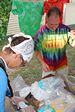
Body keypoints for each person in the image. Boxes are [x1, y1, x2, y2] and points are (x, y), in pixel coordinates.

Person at [34, 7, 75, 79]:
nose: (54, 27)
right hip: (48, 66)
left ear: (60, 19)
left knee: (63, 85)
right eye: (51, 24)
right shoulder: (41, 33)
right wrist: (42, 63)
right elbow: (36, 50)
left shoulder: (65, 29)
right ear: (46, 18)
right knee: (48, 87)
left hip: (62, 65)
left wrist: (74, 37)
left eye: (56, 24)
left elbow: (73, 43)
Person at [0, 32, 34, 112]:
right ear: (17, 55)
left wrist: (11, 96)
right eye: (23, 64)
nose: (19, 67)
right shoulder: (1, 76)